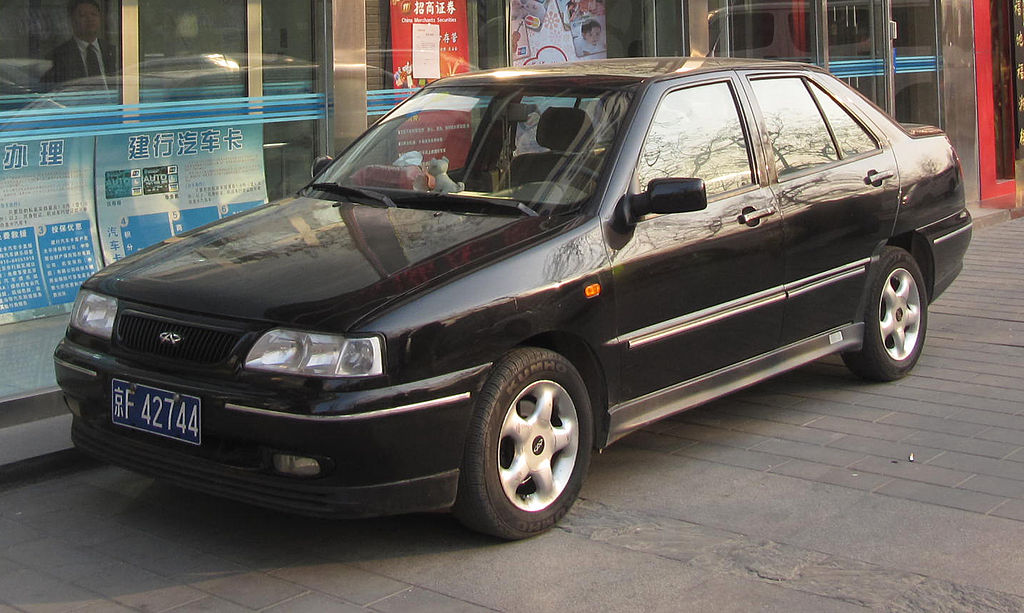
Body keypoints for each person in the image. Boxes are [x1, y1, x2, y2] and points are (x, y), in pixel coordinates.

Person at [41, 0, 117, 87]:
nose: (90, 19)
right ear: (72, 20)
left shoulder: (113, 51)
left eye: (94, 14)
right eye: (83, 15)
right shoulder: (59, 55)